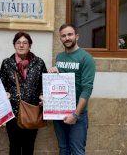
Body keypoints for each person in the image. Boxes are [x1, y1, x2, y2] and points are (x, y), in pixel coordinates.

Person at [48, 24, 96, 155]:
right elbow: (60, 83)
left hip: (77, 114)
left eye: (70, 34)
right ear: (60, 39)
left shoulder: (86, 58)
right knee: (63, 149)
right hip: (59, 112)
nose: (67, 38)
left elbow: (87, 89)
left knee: (77, 151)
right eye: (63, 36)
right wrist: (54, 72)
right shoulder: (59, 57)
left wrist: (75, 114)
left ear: (77, 36)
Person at [0, 31, 47, 155]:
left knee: (29, 147)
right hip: (12, 112)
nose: (21, 45)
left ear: (30, 45)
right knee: (14, 146)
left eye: (25, 43)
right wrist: (4, 94)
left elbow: (45, 84)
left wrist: (43, 95)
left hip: (32, 111)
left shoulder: (39, 63)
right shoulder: (7, 63)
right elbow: (2, 85)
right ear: (14, 45)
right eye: (18, 42)